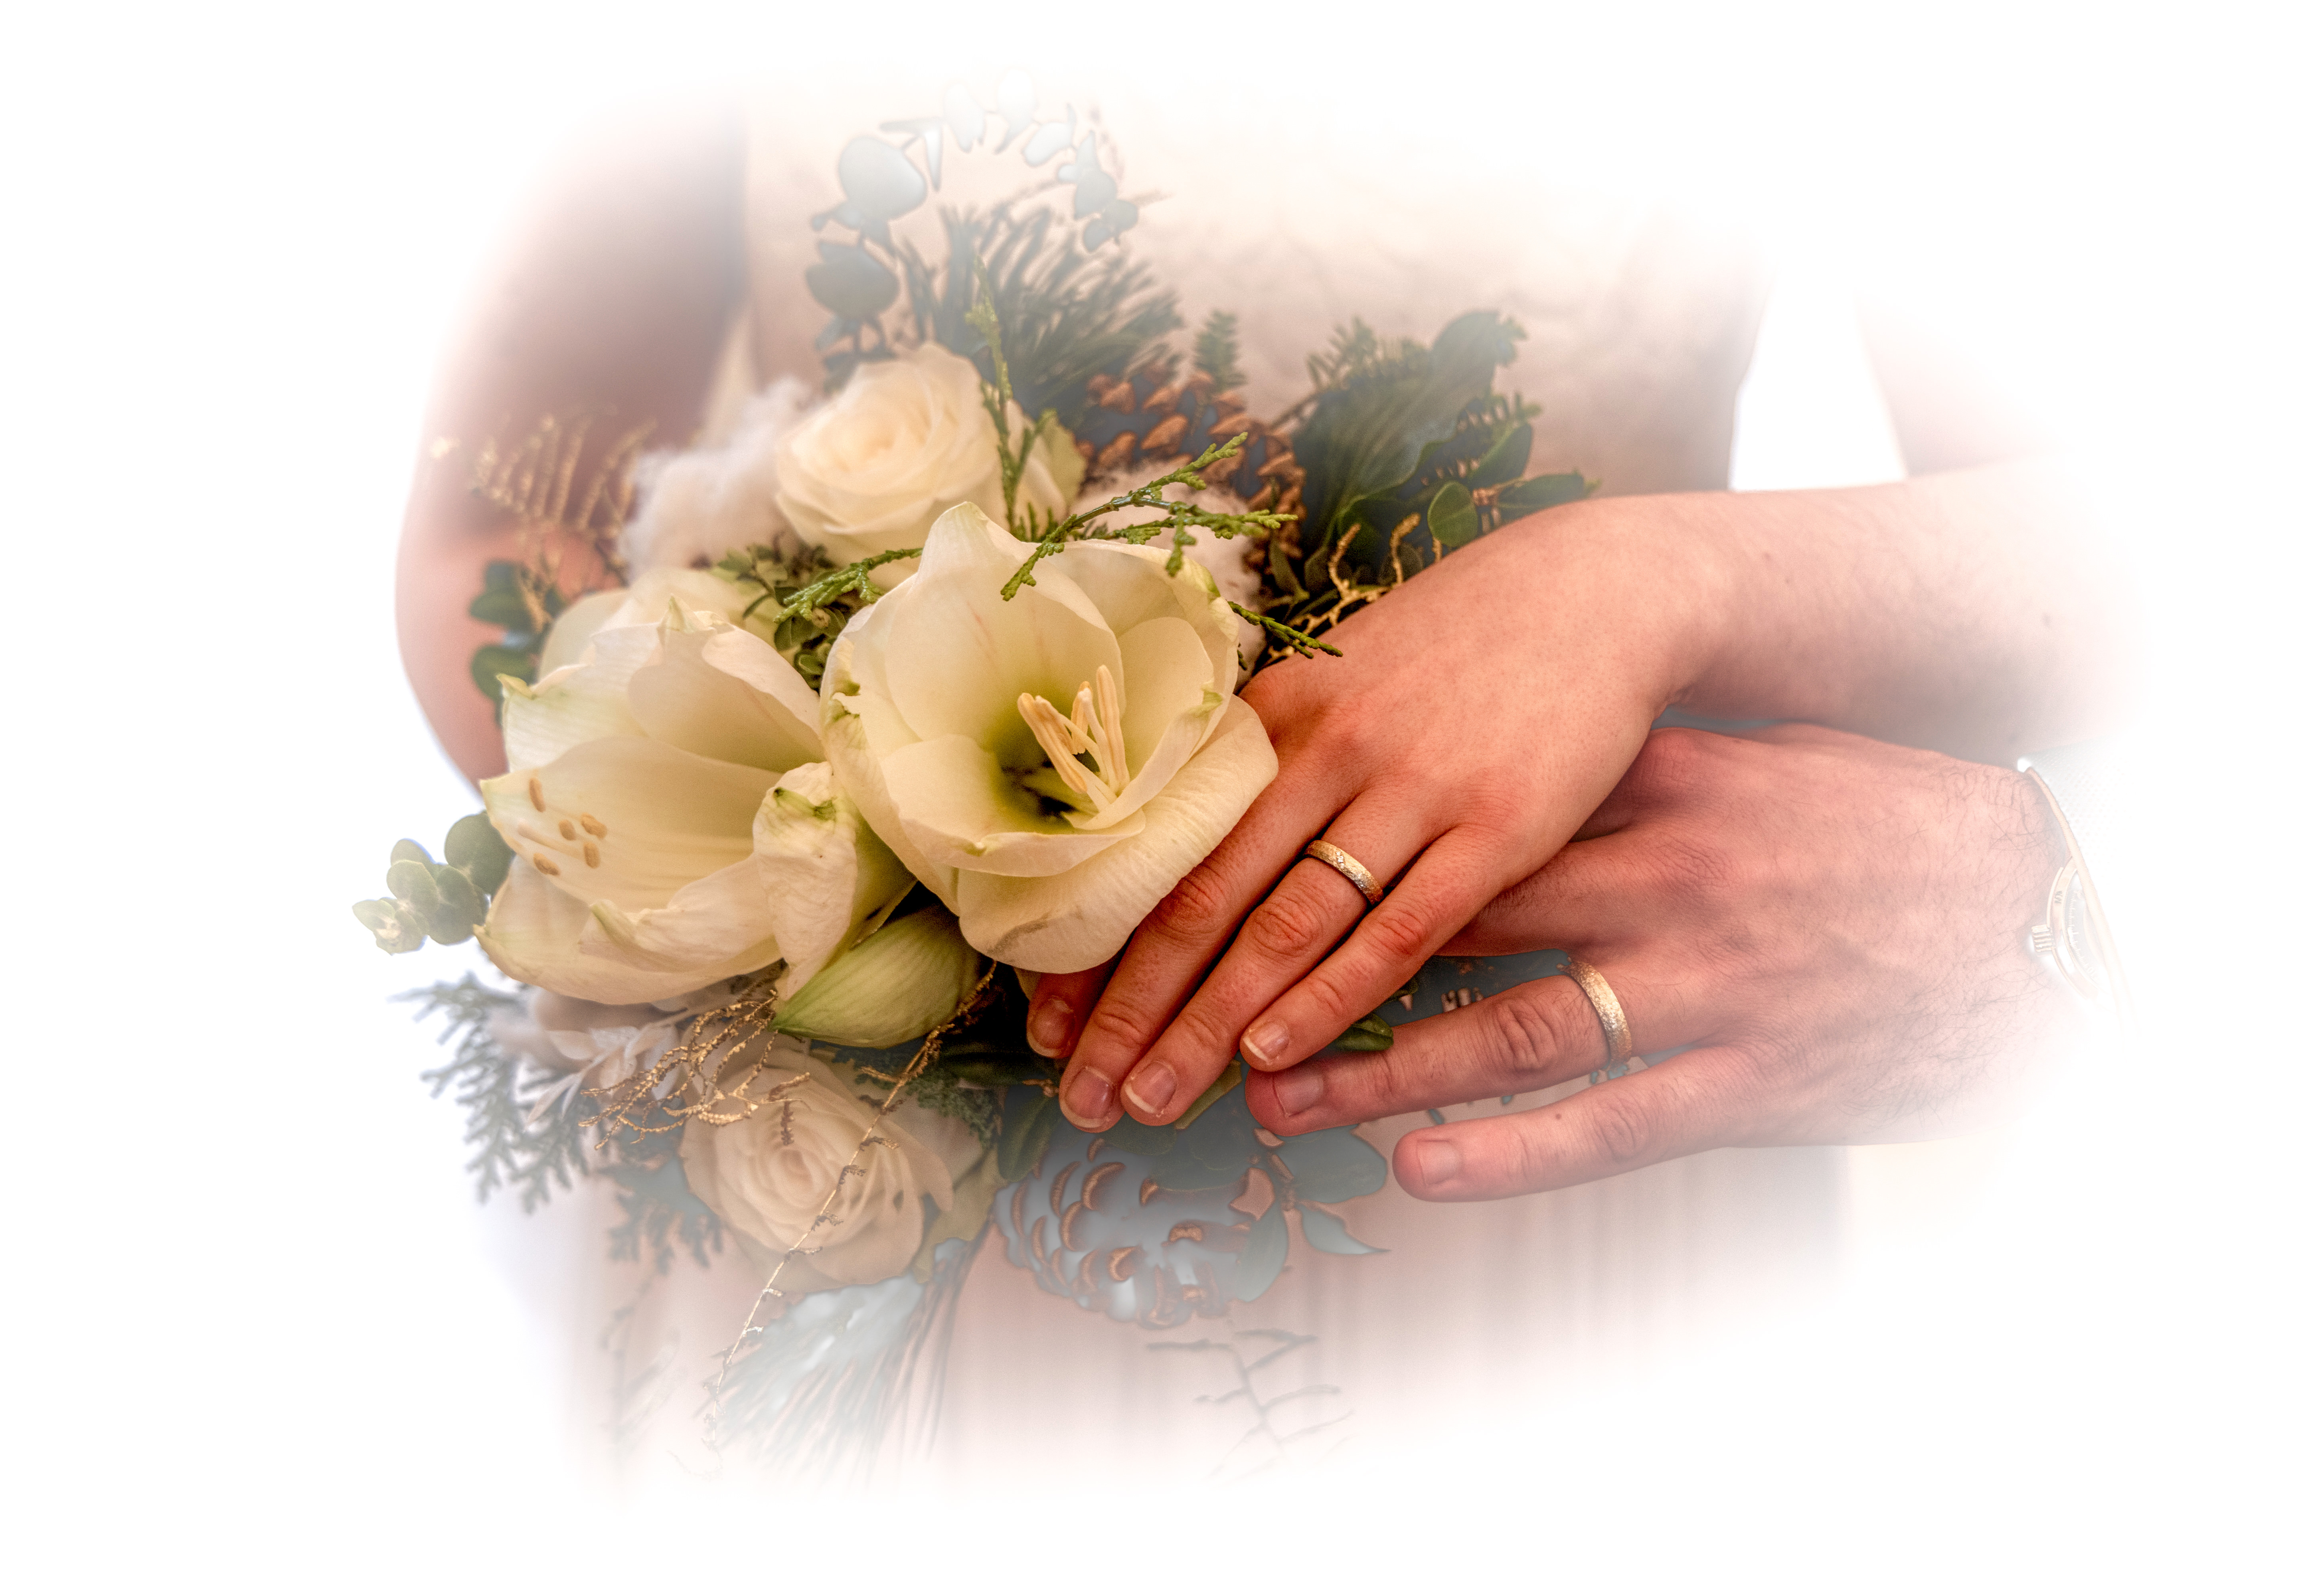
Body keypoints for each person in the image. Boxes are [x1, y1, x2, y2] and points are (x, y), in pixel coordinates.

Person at [395, 75, 2135, 1475]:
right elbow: (500, 518)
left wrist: (1660, 579)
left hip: (1528, 1168)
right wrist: (845, 878)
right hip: (890, 1170)